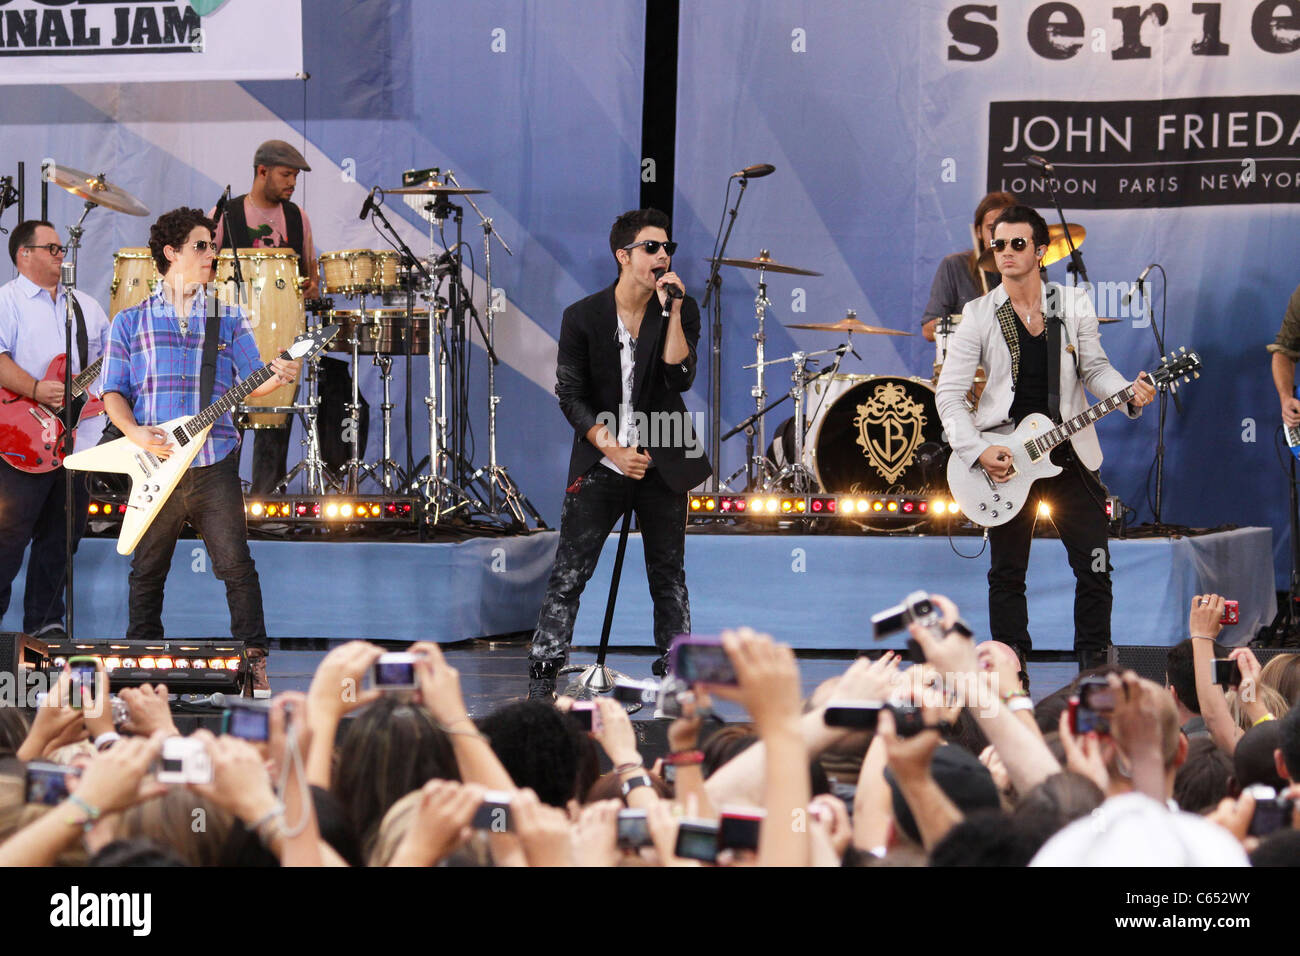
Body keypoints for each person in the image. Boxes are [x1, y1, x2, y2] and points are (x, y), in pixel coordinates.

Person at [936, 205, 1155, 671]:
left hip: (1069, 454)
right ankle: (1011, 675)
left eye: (1018, 243)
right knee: (1007, 575)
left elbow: (1094, 369)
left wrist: (1129, 394)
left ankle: (1094, 677)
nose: (1007, 252)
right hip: (1005, 459)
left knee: (1095, 568)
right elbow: (950, 397)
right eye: (998, 245)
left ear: (1041, 250)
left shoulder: (1071, 303)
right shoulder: (978, 313)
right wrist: (978, 451)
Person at [100, 207, 301, 696]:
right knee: (147, 569)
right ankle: (144, 670)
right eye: (201, 245)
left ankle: (252, 666)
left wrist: (277, 374)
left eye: (211, 245)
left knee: (235, 566)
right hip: (156, 464)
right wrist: (133, 432)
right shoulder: (130, 322)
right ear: (171, 253)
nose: (212, 253)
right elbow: (112, 391)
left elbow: (251, 384)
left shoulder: (228, 318)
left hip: (213, 462)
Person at [527, 208, 712, 698]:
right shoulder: (583, 316)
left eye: (667, 247)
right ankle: (545, 667)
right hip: (602, 455)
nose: (663, 255)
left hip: (663, 451)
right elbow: (570, 394)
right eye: (651, 247)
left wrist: (672, 310)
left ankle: (678, 668)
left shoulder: (681, 309)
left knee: (668, 572)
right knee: (571, 567)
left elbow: (680, 377)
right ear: (623, 255)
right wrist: (612, 449)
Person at [0, 220, 110, 640]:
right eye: (51, 248)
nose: (60, 254)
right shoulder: (8, 301)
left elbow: (107, 363)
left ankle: (46, 623)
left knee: (63, 536)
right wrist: (33, 388)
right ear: (23, 254)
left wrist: (93, 396)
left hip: (76, 439)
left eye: (62, 247)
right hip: (20, 437)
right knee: (8, 535)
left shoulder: (84, 305)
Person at [213, 139, 318, 495]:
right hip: (232, 327)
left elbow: (310, 277)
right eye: (286, 175)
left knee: (276, 413)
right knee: (228, 412)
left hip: (283, 327)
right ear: (262, 171)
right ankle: (221, 498)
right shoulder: (225, 214)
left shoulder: (296, 217)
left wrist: (310, 287)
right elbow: (205, 271)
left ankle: (266, 501)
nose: (292, 183)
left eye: (294, 177)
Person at [920, 191, 1017, 343]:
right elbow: (928, 330)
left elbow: (1041, 326)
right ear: (978, 231)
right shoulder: (954, 266)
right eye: (991, 228)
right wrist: (975, 317)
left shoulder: (1029, 269)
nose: (998, 235)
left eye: (1007, 228)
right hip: (969, 362)